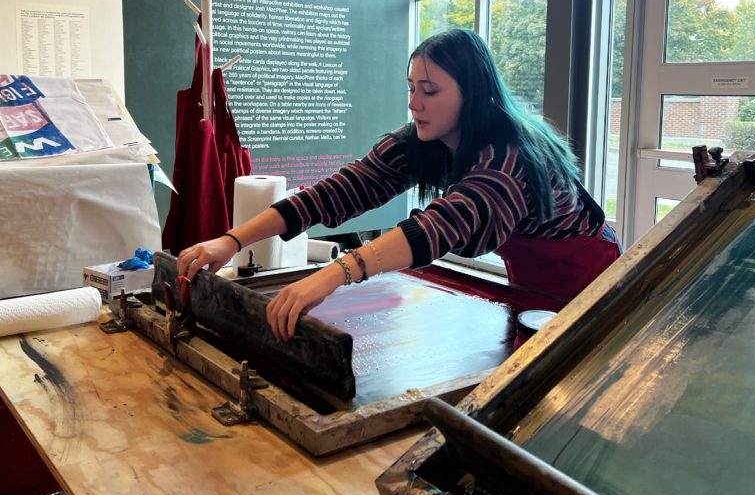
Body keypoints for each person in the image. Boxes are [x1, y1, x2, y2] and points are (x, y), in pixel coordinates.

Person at [178, 29, 621, 342]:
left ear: (473, 94)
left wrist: (333, 275)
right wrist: (231, 240)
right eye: (411, 88)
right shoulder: (425, 139)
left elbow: (440, 226)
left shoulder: (509, 157)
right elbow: (340, 190)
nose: (414, 103)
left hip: (587, 276)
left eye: (430, 90)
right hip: (529, 277)